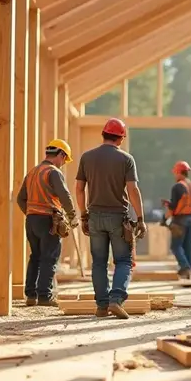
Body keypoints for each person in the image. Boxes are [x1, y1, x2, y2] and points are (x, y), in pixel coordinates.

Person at [75, 118, 148, 319]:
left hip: (95, 217)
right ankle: (116, 299)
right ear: (121, 138)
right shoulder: (126, 159)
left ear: (103, 134)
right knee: (123, 260)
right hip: (118, 217)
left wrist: (83, 215)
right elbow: (133, 190)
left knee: (99, 262)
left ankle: (101, 306)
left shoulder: (87, 157)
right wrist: (140, 218)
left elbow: (79, 189)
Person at [16, 139, 77, 307]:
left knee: (35, 256)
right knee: (49, 258)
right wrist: (72, 216)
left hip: (32, 220)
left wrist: (31, 212)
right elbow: (64, 195)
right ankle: (44, 296)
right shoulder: (53, 172)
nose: (64, 163)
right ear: (61, 154)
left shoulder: (33, 172)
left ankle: (31, 295)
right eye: (65, 159)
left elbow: (20, 199)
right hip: (49, 221)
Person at [164, 160, 191, 280]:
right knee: (187, 247)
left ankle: (185, 266)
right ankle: (188, 273)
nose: (175, 176)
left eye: (175, 173)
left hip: (180, 220)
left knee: (175, 246)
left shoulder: (177, 187)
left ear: (179, 172)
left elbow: (173, 207)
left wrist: (165, 218)